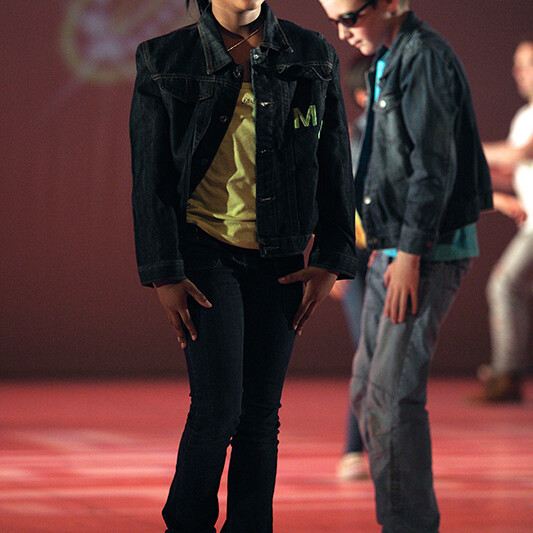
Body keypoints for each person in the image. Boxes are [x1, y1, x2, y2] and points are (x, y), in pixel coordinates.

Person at [129, 0, 356, 531]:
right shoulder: (164, 57)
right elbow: (150, 176)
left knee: (260, 416)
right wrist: (164, 270)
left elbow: (335, 161)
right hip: (204, 254)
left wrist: (331, 257)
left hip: (282, 254)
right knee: (217, 410)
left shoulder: (313, 53)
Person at [317, 1, 492, 531]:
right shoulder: (386, 59)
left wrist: (410, 254)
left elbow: (432, 166)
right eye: (334, 19)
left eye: (350, 17)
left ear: (392, 3)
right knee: (368, 391)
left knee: (391, 400)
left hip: (423, 252)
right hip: (392, 249)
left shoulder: (425, 59)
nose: (342, 32)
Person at [477, 39, 533, 403]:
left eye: (527, 64)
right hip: (530, 225)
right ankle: (507, 373)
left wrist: (467, 152)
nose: (518, 72)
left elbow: (519, 153)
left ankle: (507, 374)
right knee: (508, 286)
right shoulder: (524, 116)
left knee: (505, 284)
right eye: (518, 64)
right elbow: (513, 173)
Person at [330, 54, 373, 481]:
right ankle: (353, 449)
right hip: (357, 259)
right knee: (367, 348)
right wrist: (330, 260)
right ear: (362, 95)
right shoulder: (347, 139)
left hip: (394, 256)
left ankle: (383, 447)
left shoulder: (406, 136)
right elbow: (330, 201)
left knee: (390, 353)